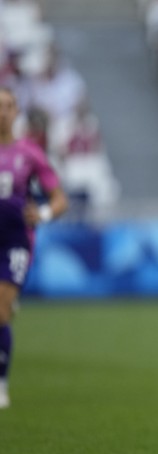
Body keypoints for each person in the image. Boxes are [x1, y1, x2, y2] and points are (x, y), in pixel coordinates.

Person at [0, 86, 68, 409]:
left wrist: (40, 213)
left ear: (16, 112)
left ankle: (0, 384)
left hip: (14, 240)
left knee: (0, 311)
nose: (2, 111)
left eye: (8, 106)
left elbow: (59, 199)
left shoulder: (28, 153)